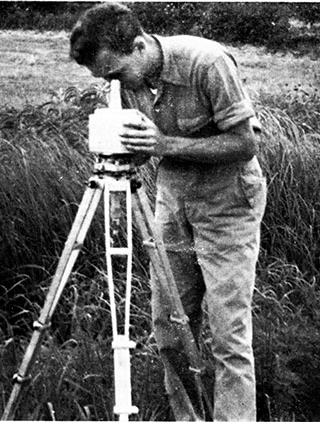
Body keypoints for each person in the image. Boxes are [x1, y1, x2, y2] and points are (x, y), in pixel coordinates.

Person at [69, 3, 267, 421]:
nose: (111, 83)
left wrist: (166, 146)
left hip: (228, 202)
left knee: (227, 334)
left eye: (115, 73)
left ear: (139, 46)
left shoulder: (207, 62)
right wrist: (118, 162)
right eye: (104, 78)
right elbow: (144, 149)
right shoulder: (124, 80)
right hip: (171, 202)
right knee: (170, 329)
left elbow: (245, 144)